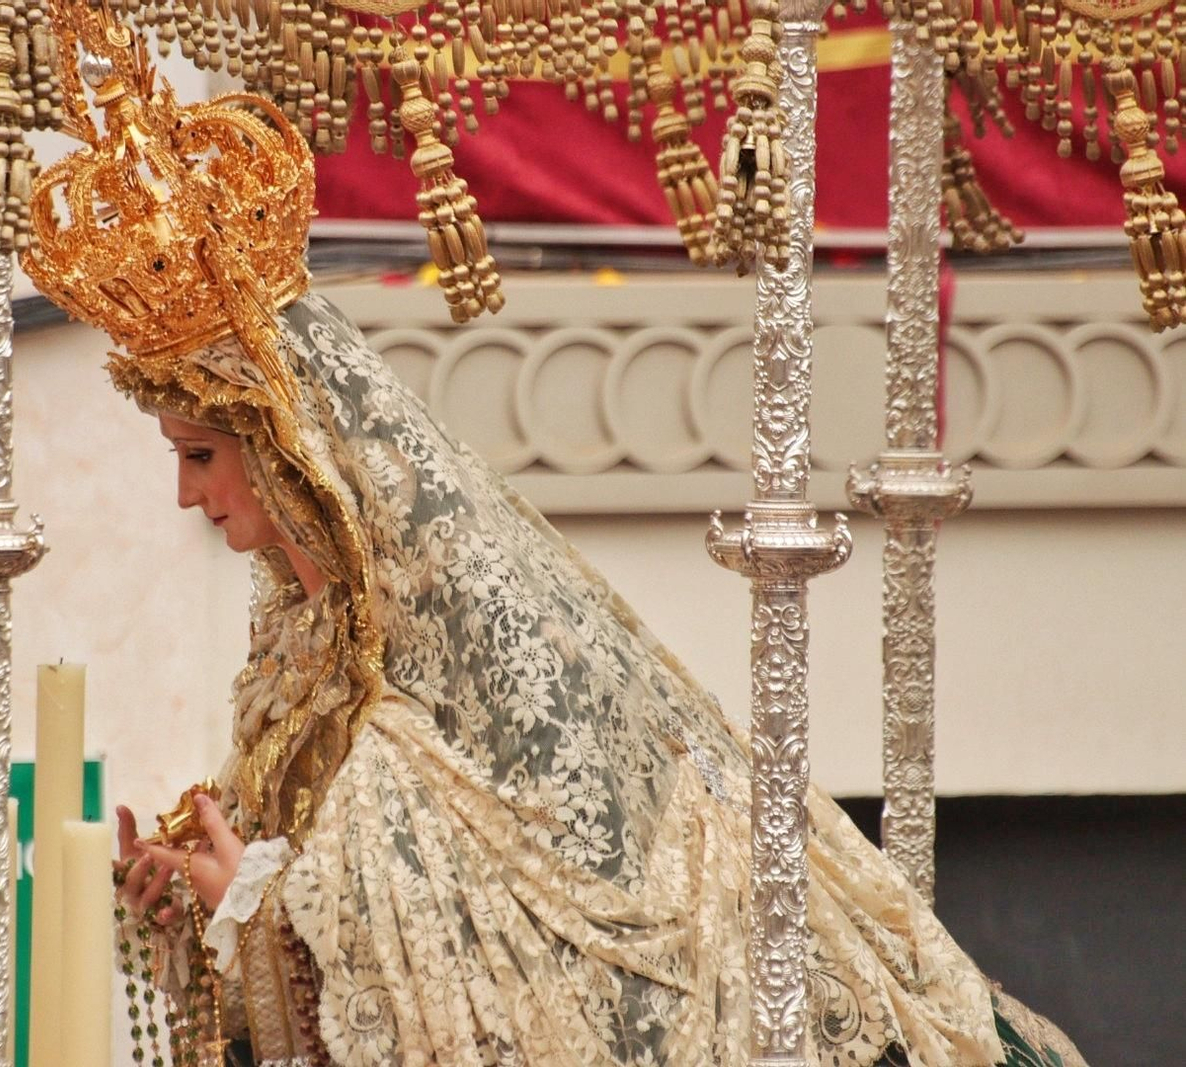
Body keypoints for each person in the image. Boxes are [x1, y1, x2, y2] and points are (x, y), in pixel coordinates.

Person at [97, 294, 1086, 1067]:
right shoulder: (296, 662)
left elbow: (497, 983)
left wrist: (259, 914)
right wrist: (197, 908)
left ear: (286, 453)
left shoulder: (403, 717)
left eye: (201, 455)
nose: (187, 492)